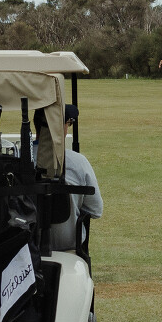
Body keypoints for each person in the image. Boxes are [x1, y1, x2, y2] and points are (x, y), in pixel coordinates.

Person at [51, 107, 103, 257]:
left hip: (28, 245)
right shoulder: (78, 162)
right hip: (68, 246)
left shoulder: (18, 161)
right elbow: (95, 210)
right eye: (68, 124)